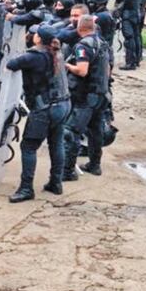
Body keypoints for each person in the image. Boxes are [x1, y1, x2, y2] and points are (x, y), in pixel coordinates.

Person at [5, 25, 71, 202]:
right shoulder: (57, 52)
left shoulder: (35, 56)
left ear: (39, 38)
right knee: (56, 144)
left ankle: (26, 188)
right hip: (63, 105)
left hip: (45, 109)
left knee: (28, 147)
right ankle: (56, 182)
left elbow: (11, 64)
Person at [63, 15, 110, 179]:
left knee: (72, 131)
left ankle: (68, 171)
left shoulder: (83, 45)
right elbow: (108, 70)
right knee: (95, 131)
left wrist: (67, 65)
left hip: (86, 96)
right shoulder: (103, 43)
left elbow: (82, 70)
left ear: (79, 28)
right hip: (101, 94)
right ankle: (95, 164)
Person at [111, 0, 144, 70]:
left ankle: (130, 63)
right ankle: (137, 59)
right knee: (136, 36)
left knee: (129, 39)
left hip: (127, 16)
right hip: (137, 14)